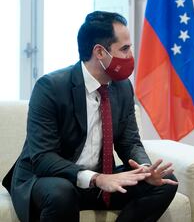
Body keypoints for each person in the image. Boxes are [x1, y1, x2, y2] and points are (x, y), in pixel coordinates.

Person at [2, 11, 178, 222]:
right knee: (62, 192)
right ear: (100, 52)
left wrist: (145, 169)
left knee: (165, 182)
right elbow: (43, 158)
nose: (132, 54)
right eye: (125, 48)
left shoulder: (122, 87)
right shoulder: (50, 87)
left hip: (100, 181)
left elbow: (129, 141)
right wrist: (96, 178)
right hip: (51, 179)